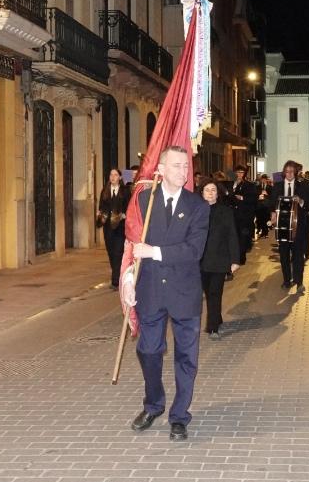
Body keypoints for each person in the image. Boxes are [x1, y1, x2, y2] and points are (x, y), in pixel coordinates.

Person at [123, 146, 210, 442]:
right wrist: (129, 280)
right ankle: (153, 404)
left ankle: (179, 416)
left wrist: (155, 251)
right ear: (160, 169)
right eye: (176, 166)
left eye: (186, 166)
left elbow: (193, 251)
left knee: (186, 357)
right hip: (150, 290)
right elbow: (133, 246)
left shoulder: (197, 206)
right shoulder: (144, 201)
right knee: (148, 350)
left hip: (184, 292)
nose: (183, 172)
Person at [199, 181, 240, 339]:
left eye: (213, 190)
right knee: (208, 293)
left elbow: (232, 235)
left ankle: (213, 327)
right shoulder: (196, 211)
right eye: (207, 190)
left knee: (215, 293)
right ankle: (217, 318)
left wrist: (235, 259)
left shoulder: (225, 211)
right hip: (201, 261)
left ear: (218, 193)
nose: (210, 193)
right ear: (202, 193)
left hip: (219, 259)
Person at [269, 160, 309, 290]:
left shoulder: (302, 186)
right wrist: (273, 213)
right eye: (287, 171)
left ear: (295, 173)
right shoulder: (277, 186)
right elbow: (272, 203)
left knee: (298, 256)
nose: (289, 174)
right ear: (284, 173)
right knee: (284, 255)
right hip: (282, 227)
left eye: (292, 171)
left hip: (298, 226)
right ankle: (286, 280)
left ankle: (299, 281)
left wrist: (301, 201)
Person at [98, 168, 130, 288]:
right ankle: (118, 272)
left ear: (120, 177)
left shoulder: (125, 191)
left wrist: (124, 215)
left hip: (120, 227)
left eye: (115, 175)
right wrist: (100, 215)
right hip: (108, 228)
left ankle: (115, 280)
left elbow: (129, 207)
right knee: (111, 253)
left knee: (118, 252)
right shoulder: (104, 191)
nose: (113, 177)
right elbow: (101, 207)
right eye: (111, 175)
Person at [230, 165, 258, 263]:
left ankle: (241, 257)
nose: (239, 175)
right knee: (233, 237)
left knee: (242, 237)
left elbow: (254, 199)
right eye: (237, 172)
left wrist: (242, 198)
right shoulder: (230, 184)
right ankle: (234, 257)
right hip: (232, 214)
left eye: (241, 172)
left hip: (243, 215)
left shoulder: (250, 185)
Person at [255, 173, 272, 239]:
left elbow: (272, 196)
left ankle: (266, 232)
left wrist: (267, 194)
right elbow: (255, 195)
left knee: (266, 219)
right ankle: (262, 232)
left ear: (266, 180)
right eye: (263, 179)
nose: (264, 181)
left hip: (266, 205)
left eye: (265, 179)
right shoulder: (257, 187)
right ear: (261, 180)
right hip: (259, 205)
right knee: (260, 218)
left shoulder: (270, 187)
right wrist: (258, 196)